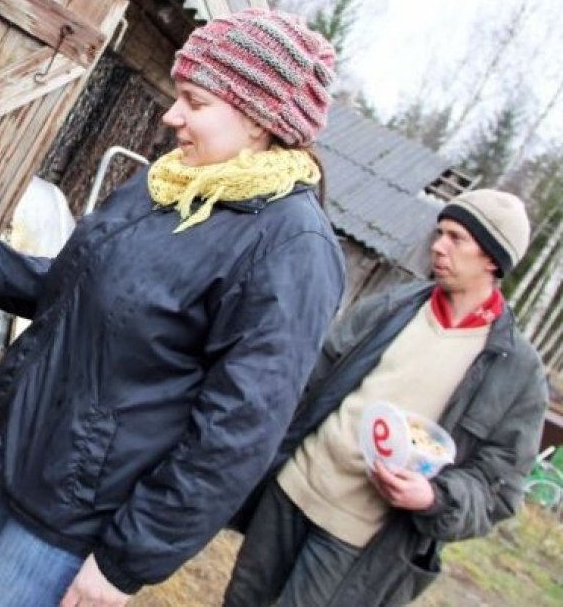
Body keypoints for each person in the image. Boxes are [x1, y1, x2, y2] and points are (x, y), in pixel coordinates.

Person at [0, 9, 346, 606]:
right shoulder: (167, 184)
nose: (171, 115)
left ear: (259, 118)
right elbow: (81, 294)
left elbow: (234, 436)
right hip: (30, 469)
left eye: (195, 101)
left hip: (83, 524)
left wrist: (125, 561)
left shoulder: (291, 247)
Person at [223, 188, 549, 607]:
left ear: (491, 258)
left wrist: (435, 497)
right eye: (440, 233)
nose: (438, 246)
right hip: (293, 489)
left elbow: (499, 489)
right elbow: (309, 382)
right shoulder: (392, 308)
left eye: (455, 238)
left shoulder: (517, 373)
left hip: (356, 537)